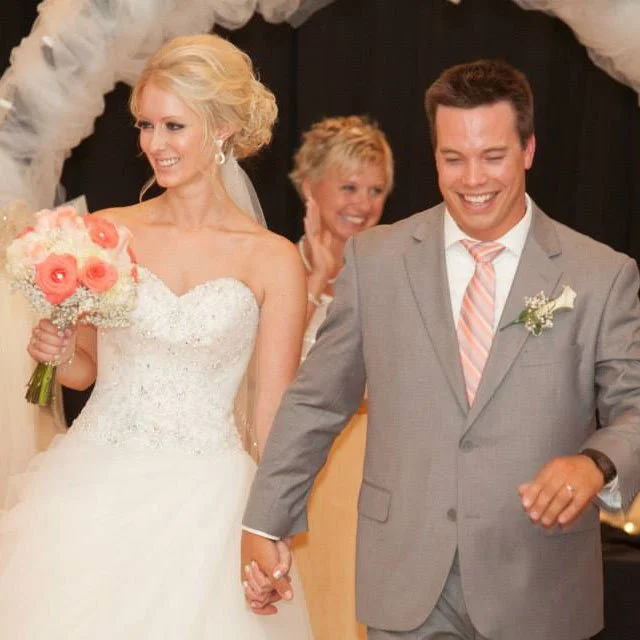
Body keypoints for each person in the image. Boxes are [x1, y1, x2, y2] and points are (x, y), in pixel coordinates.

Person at [240, 59, 640, 640]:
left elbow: (634, 408)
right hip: (406, 576)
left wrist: (595, 463)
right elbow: (316, 401)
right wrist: (265, 520)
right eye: (453, 159)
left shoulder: (601, 274)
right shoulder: (376, 261)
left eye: (492, 156)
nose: (472, 179)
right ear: (433, 156)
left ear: (528, 149)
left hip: (539, 578)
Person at [0, 33, 312, 638]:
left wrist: (269, 525)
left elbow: (274, 416)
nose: (154, 144)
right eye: (146, 125)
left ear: (222, 128)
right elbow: (84, 371)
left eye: (174, 126)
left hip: (208, 504)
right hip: (92, 489)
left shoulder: (273, 260)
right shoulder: (106, 233)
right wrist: (58, 353)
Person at [289, 116, 393, 639]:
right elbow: (273, 377)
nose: (364, 204)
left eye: (376, 190)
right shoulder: (277, 265)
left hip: (380, 465)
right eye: (349, 187)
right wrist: (314, 281)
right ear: (311, 188)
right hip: (308, 460)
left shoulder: (393, 271)